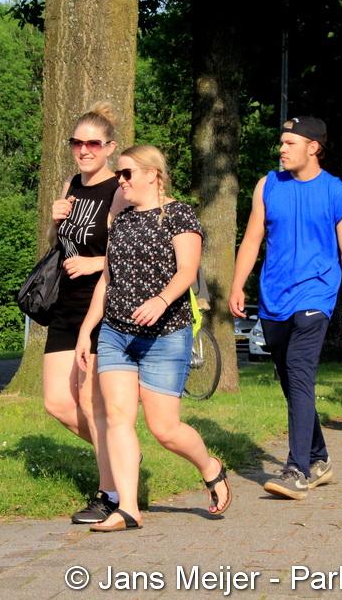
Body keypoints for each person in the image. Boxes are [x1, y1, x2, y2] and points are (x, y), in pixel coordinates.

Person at [75, 145, 230, 531]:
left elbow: (187, 270)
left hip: (165, 335)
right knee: (117, 418)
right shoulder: (121, 220)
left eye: (127, 173)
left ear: (152, 174)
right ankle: (128, 508)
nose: (121, 181)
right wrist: (87, 329)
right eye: (119, 174)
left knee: (164, 429)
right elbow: (107, 279)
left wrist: (160, 301)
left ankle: (210, 467)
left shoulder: (179, 214)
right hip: (116, 334)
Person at [229, 116, 342, 500]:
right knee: (292, 381)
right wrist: (238, 283)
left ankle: (297, 469)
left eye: (290, 143)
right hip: (274, 299)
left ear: (313, 147)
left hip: (315, 296)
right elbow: (252, 239)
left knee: (300, 372)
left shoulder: (338, 194)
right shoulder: (268, 185)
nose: (282, 149)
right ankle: (319, 458)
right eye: (281, 142)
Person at [45, 103, 126, 525]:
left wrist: (96, 264)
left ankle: (110, 492)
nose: (84, 150)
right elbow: (60, 244)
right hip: (65, 304)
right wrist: (54, 220)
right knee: (57, 402)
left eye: (93, 143)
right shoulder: (71, 184)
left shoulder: (119, 190)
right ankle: (122, 455)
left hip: (100, 305)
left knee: (91, 402)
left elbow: (128, 251)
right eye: (77, 143)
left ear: (109, 148)